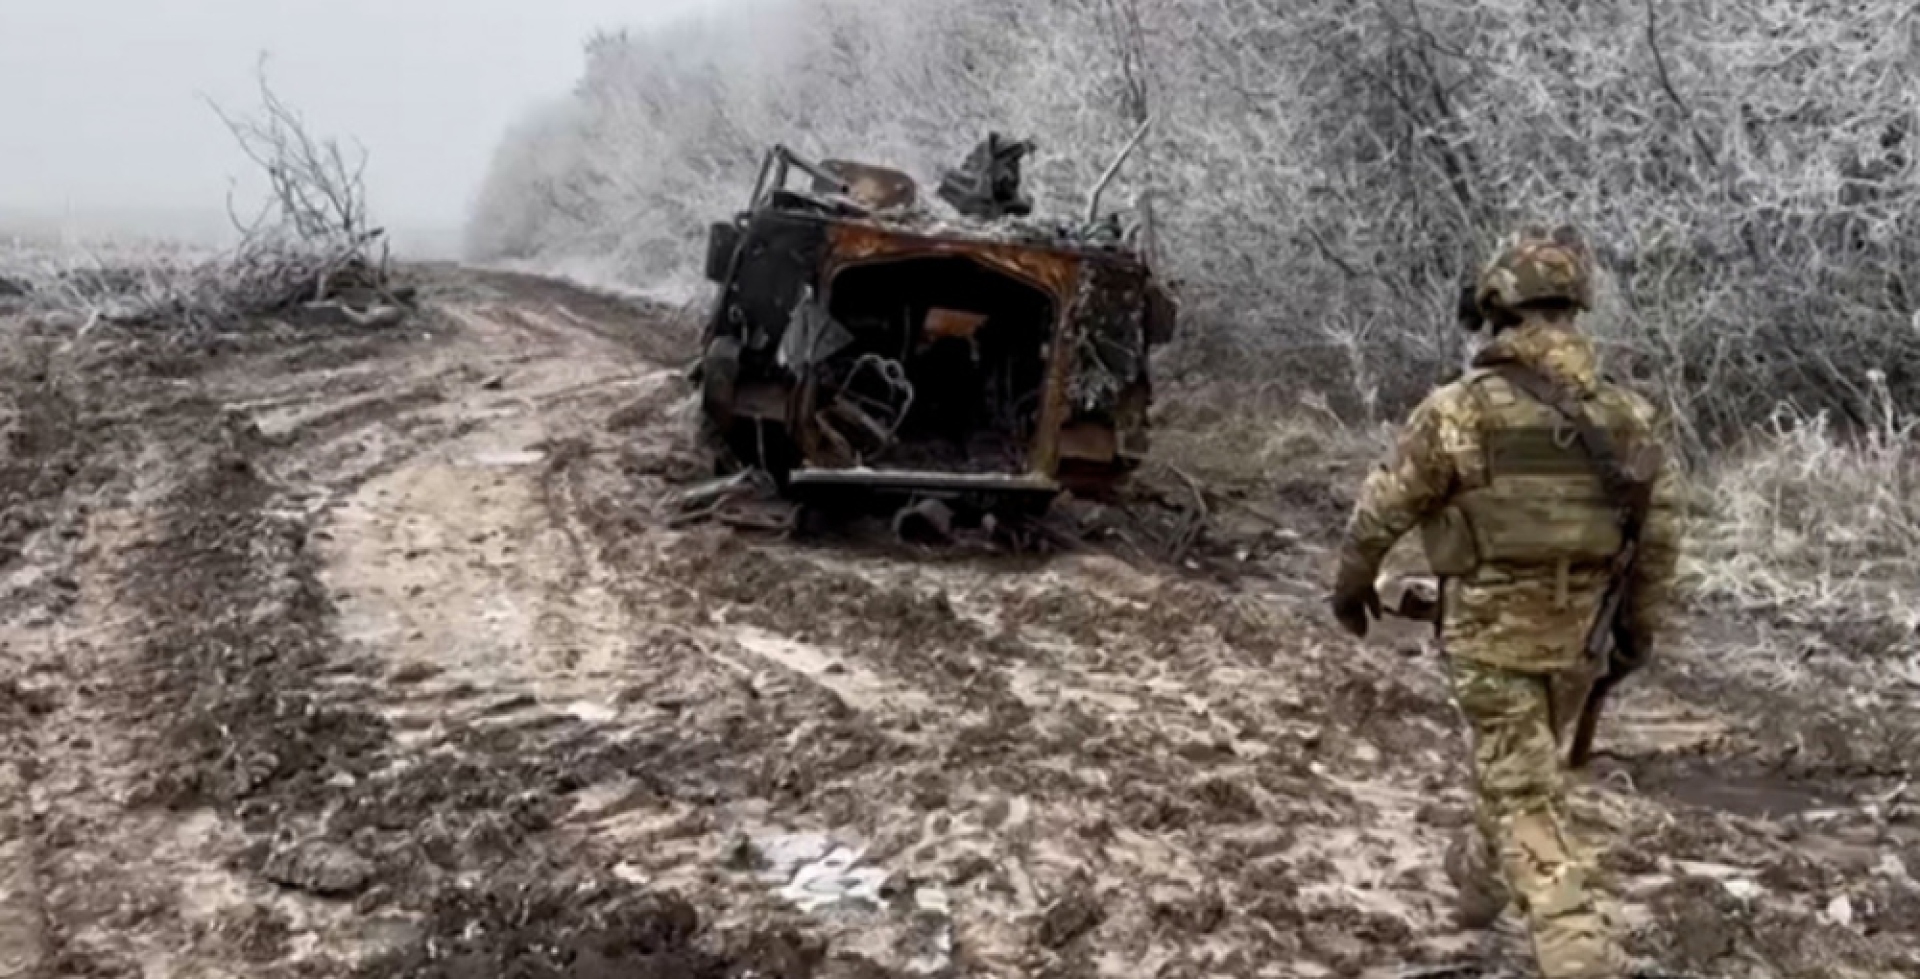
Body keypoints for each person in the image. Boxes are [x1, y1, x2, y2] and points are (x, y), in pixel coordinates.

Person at [1328, 226, 1683, 979]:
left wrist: (1351, 584)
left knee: (1521, 788)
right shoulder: (1631, 416)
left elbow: (1381, 509)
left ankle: (1574, 948)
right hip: (1582, 640)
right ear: (1576, 306)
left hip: (1489, 641)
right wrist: (1635, 637)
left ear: (1497, 305)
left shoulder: (1461, 409)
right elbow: (1659, 542)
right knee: (1519, 769)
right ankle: (1479, 885)